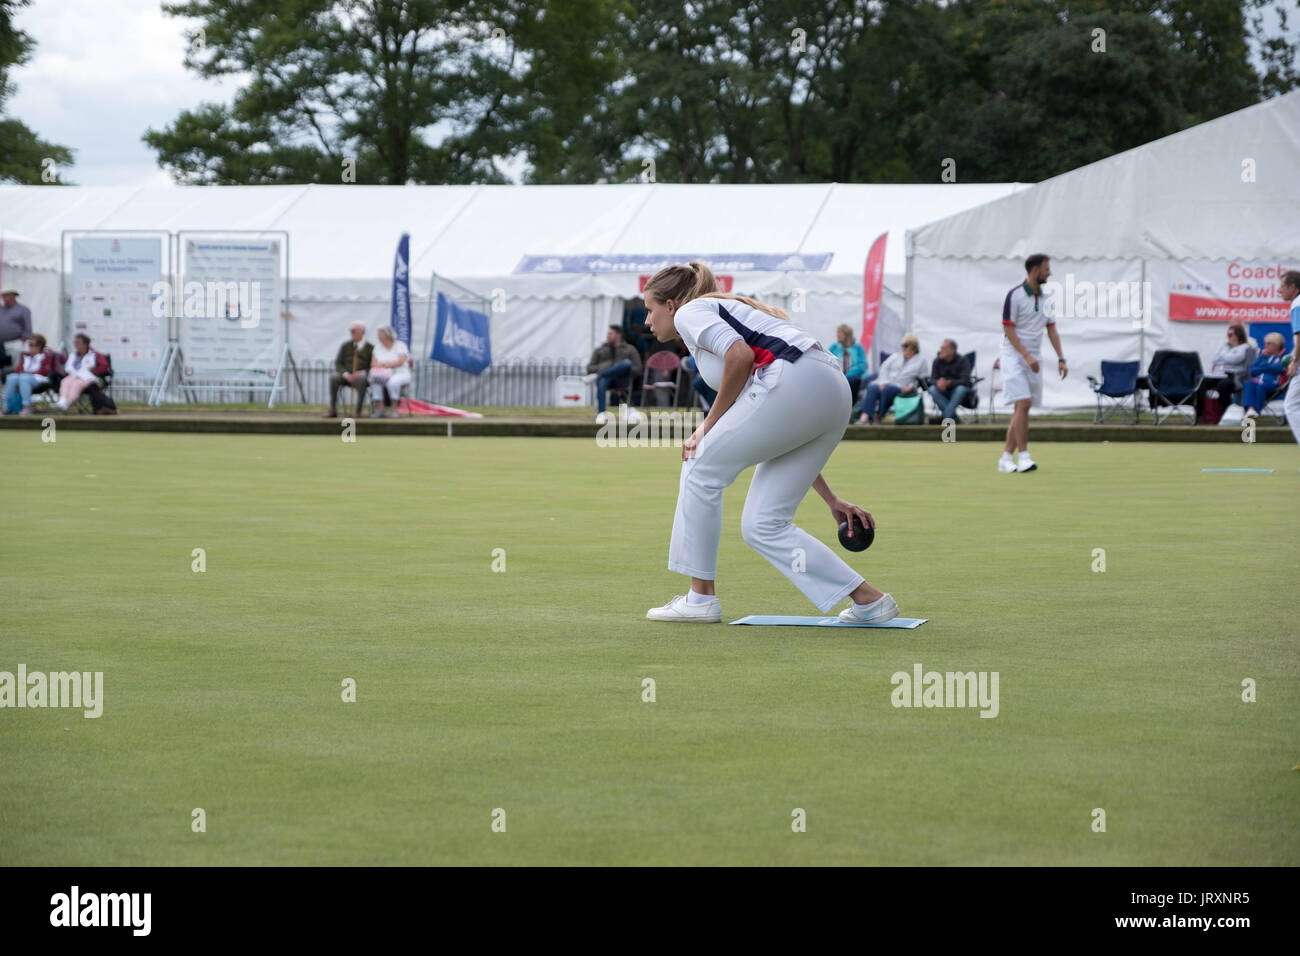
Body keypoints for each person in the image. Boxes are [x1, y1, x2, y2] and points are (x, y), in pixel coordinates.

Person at [640, 260, 898, 625]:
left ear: (670, 305)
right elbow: (777, 427)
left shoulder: (690, 313)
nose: (647, 321)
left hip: (795, 382)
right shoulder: (722, 316)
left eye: (649, 310)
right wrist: (830, 499)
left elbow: (740, 356)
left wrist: (705, 428)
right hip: (830, 390)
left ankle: (699, 598)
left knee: (699, 465)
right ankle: (870, 601)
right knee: (762, 524)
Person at [997, 254, 1066, 473]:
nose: (1050, 273)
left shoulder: (1046, 299)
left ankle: (1006, 458)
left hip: (1034, 357)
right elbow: (1008, 330)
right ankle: (1024, 456)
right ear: (1035, 270)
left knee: (1021, 408)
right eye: (1047, 269)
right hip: (1013, 356)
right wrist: (1026, 356)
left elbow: (1051, 329)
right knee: (1024, 403)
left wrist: (1061, 358)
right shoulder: (1014, 296)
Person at [855, 334, 925, 424]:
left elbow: (922, 378)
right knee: (872, 387)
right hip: (885, 382)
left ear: (914, 347)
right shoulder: (896, 356)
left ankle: (879, 415)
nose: (903, 348)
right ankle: (864, 417)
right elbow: (884, 367)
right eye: (903, 346)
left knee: (888, 389)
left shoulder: (921, 361)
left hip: (902, 387)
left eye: (906, 346)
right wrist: (883, 382)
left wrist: (911, 387)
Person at [583, 324, 643, 425]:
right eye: (607, 334)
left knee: (626, 363)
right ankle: (601, 413)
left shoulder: (630, 349)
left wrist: (622, 369)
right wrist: (605, 367)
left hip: (622, 380)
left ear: (618, 335)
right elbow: (590, 368)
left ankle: (598, 376)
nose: (608, 336)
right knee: (603, 379)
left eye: (610, 334)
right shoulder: (600, 350)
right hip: (606, 381)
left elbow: (638, 368)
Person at [54, 334, 114, 413]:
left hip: (87, 379)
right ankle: (62, 400)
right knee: (65, 381)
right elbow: (68, 368)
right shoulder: (73, 355)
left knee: (76, 384)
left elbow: (103, 368)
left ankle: (66, 405)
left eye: (78, 343)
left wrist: (92, 371)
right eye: (75, 343)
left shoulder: (95, 355)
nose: (76, 345)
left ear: (85, 344)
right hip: (73, 377)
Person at [325, 322, 372, 418]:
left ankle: (359, 410)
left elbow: (372, 366)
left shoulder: (370, 348)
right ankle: (333, 409)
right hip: (346, 375)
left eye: (354, 331)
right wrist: (346, 374)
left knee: (362, 378)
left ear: (362, 332)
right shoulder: (345, 346)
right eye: (351, 331)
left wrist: (360, 373)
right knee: (334, 378)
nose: (352, 333)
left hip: (361, 376)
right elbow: (338, 363)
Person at [3, 333, 54, 415]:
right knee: (11, 377)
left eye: (32, 345)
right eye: (29, 344)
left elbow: (44, 372)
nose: (29, 347)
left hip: (39, 379)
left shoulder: (45, 356)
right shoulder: (25, 356)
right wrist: (22, 373)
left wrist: (27, 373)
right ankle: (6, 407)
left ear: (39, 346)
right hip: (24, 378)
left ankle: (26, 406)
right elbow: (18, 370)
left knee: (24, 377)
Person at [1241, 332, 1288, 419]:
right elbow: (1252, 370)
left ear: (1277, 344)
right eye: (1265, 343)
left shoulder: (1284, 357)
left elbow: (1279, 369)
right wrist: (1268, 366)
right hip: (1258, 380)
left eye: (1269, 344)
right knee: (1248, 383)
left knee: (1261, 386)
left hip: (1274, 382)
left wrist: (1263, 367)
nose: (1266, 346)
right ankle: (1250, 410)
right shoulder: (1262, 356)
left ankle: (1256, 412)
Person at [925, 339, 973, 423]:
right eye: (941, 348)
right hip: (943, 391)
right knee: (932, 389)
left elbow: (966, 381)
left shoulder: (963, 360)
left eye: (944, 348)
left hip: (958, 392)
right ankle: (952, 417)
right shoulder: (937, 361)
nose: (941, 351)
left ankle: (944, 418)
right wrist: (938, 382)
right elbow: (932, 379)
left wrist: (948, 383)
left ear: (952, 350)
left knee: (960, 389)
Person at [367, 325, 410, 417]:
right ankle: (380, 409)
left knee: (393, 382)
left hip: (401, 373)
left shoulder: (400, 345)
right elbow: (373, 364)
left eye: (380, 334)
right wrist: (384, 366)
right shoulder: (377, 347)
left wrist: (385, 365)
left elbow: (400, 361)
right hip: (383, 374)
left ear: (387, 335)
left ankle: (394, 408)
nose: (378, 336)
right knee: (375, 381)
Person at [1281, 269, 1300, 446]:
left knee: (1291, 406)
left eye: (1282, 286)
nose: (1279, 290)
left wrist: (1294, 360)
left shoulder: (1297, 303)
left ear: (1293, 287)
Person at [1209, 324, 1252, 395]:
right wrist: (1226, 356)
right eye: (1228, 335)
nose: (1228, 337)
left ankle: (1225, 405)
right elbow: (1214, 359)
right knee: (1203, 383)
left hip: (1234, 376)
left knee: (1223, 385)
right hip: (1220, 374)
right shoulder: (1225, 346)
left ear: (1238, 335)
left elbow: (1234, 359)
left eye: (1231, 335)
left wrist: (1222, 356)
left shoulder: (1245, 347)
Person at [828, 324, 867, 400]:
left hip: (854, 376)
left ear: (847, 335)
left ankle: (850, 403)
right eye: (837, 333)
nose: (837, 335)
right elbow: (826, 359)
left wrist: (847, 375)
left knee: (852, 380)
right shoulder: (834, 347)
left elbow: (862, 365)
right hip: (837, 375)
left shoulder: (858, 348)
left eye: (840, 333)